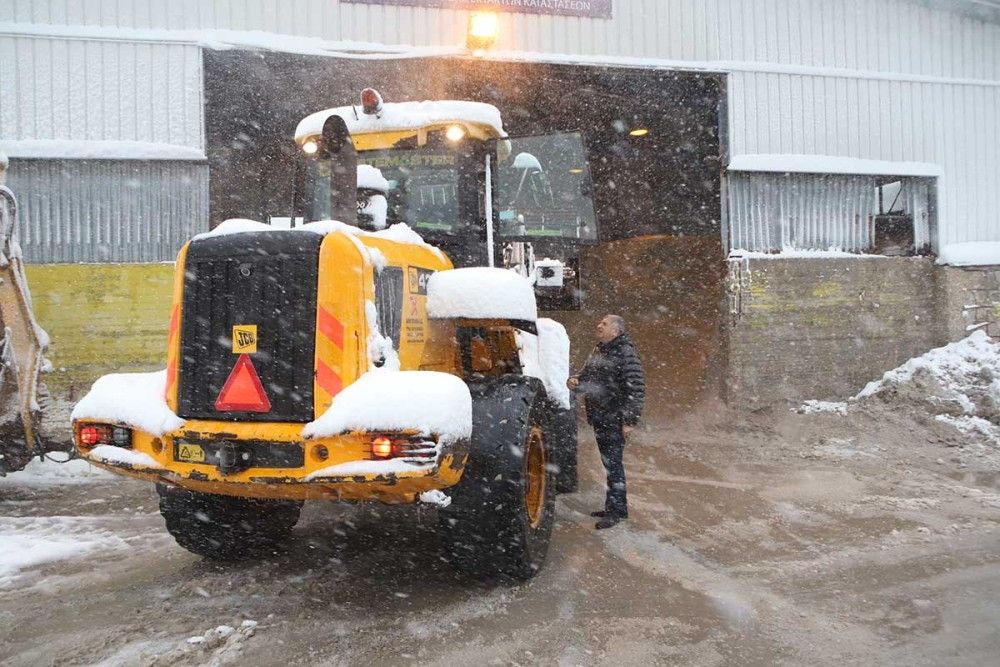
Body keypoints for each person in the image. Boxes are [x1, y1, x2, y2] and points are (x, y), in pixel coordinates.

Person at [567, 314, 645, 529]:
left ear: (616, 331)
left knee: (614, 465)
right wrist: (576, 382)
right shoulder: (599, 350)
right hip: (601, 417)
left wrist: (629, 420)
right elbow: (589, 378)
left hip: (614, 417)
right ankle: (616, 507)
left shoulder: (625, 353)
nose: (599, 325)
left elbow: (636, 388)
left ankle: (616, 512)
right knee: (609, 464)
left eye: (604, 324)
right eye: (600, 322)